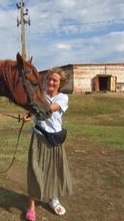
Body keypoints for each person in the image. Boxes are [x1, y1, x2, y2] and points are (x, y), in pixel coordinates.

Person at [23, 67, 73, 221]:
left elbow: (48, 110)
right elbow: (35, 107)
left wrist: (32, 109)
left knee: (55, 171)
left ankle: (53, 199)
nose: (51, 82)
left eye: (55, 80)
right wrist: (28, 115)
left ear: (61, 83)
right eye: (49, 79)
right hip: (39, 138)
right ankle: (31, 207)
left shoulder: (63, 98)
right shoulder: (41, 95)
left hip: (54, 140)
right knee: (35, 171)